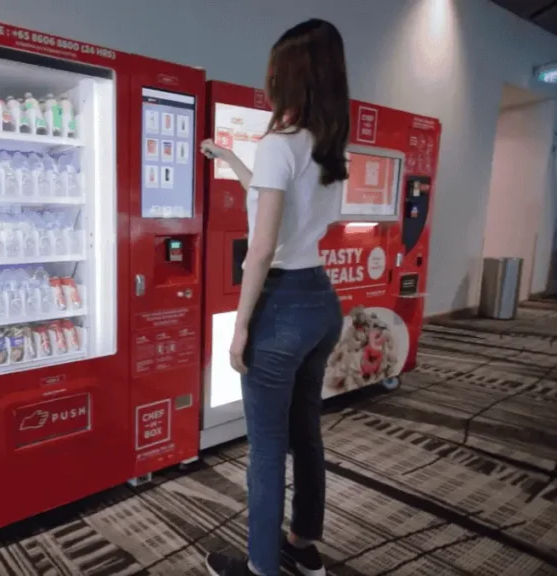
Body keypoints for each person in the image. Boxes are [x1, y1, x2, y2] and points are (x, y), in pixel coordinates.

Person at [199, 18, 350, 576]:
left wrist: (240, 327)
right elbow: (284, 206)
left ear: (286, 77)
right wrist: (236, 163)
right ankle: (303, 548)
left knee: (265, 448)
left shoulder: (279, 144)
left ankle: (260, 567)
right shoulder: (330, 147)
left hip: (282, 305)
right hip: (321, 302)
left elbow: (260, 248)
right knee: (305, 434)